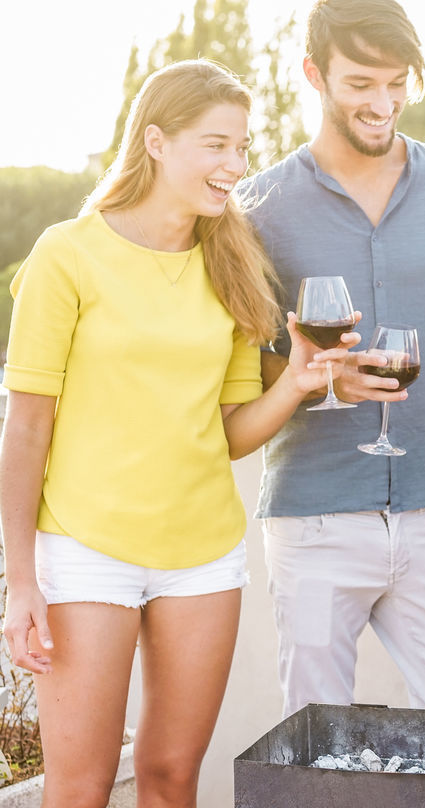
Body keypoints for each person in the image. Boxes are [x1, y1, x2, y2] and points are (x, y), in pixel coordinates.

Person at [0, 60, 345, 807]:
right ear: (155, 142)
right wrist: (20, 578)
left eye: (243, 148)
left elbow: (226, 433)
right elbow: (26, 427)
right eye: (215, 145)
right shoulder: (68, 255)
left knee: (170, 778)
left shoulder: (231, 265)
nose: (235, 166)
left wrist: (296, 382)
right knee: (80, 788)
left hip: (203, 559)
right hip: (87, 552)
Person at [239, 0, 425, 717]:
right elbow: (253, 365)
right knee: (316, 754)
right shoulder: (256, 207)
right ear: (315, 74)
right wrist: (319, 379)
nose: (384, 102)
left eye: (398, 82)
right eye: (362, 82)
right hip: (314, 516)